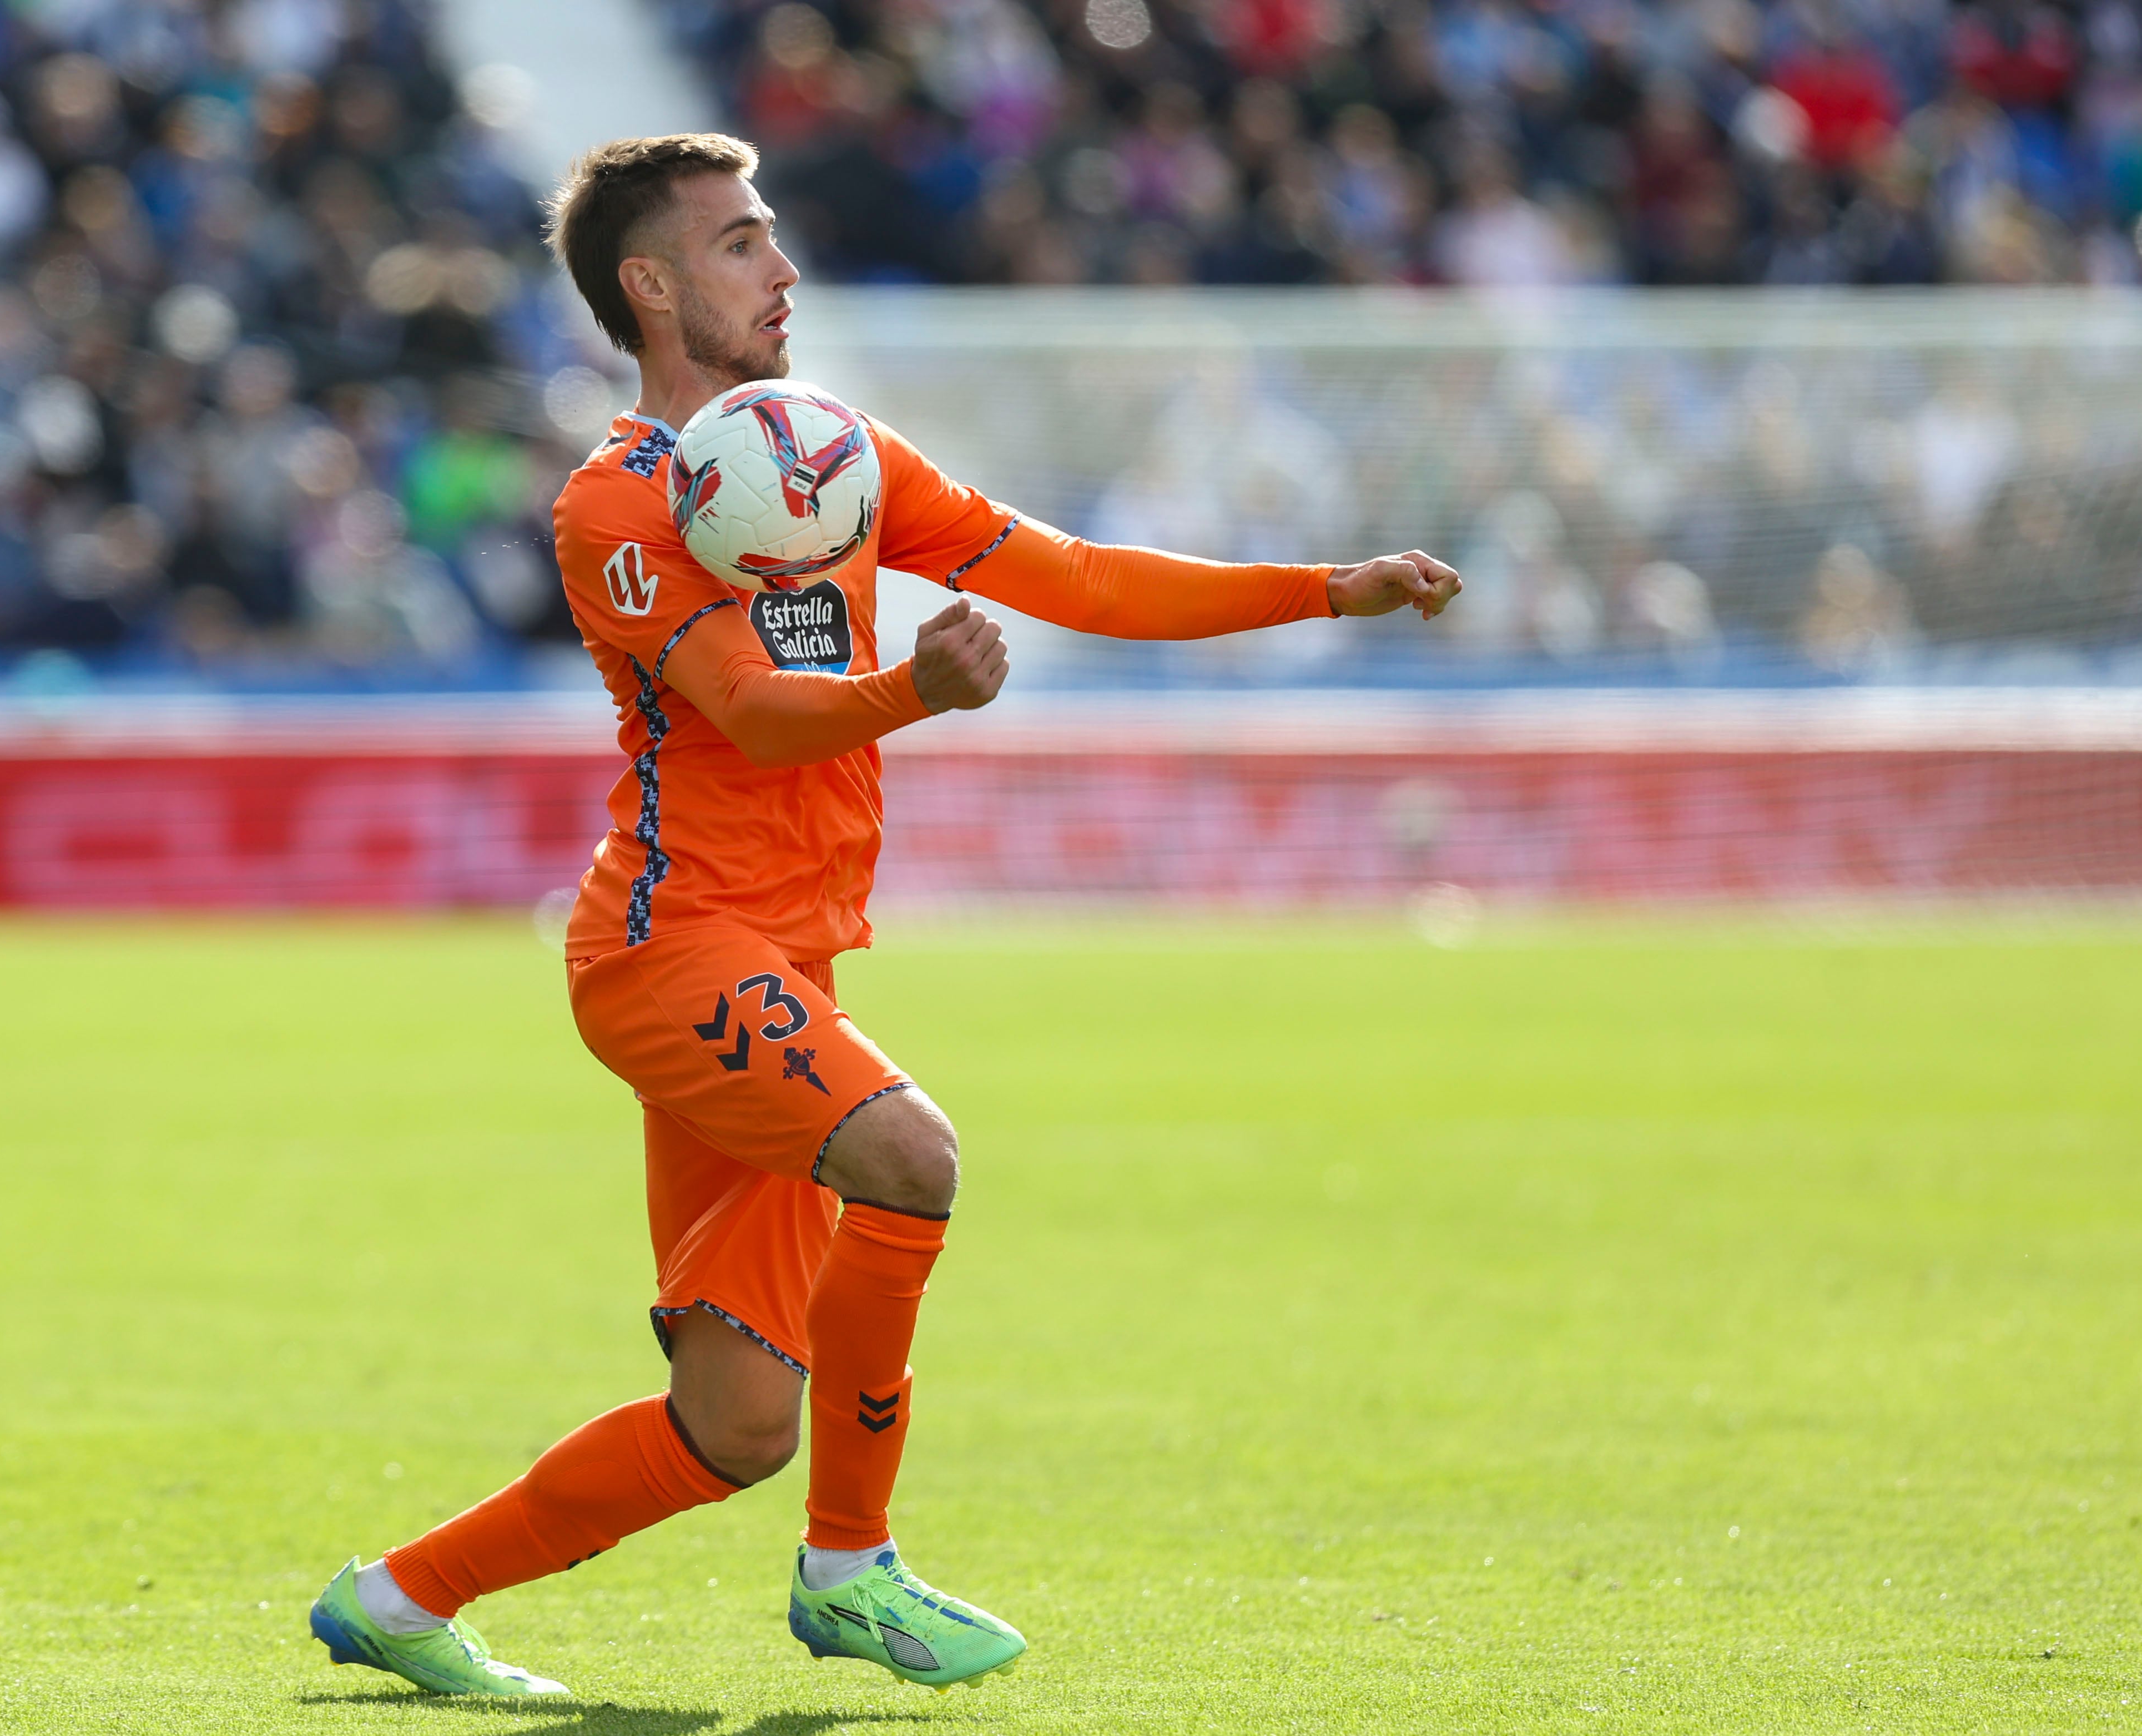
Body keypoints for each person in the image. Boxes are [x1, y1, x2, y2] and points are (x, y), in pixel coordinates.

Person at [306, 132, 1461, 1699]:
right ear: (648, 286)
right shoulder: (615, 507)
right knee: (911, 1154)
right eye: (736, 243)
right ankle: (853, 1568)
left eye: (770, 237)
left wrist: (1325, 588)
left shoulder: (830, 457)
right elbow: (757, 711)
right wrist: (911, 689)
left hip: (779, 958)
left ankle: (397, 1599)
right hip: (663, 950)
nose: (778, 268)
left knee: (730, 1430)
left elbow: (1076, 576)